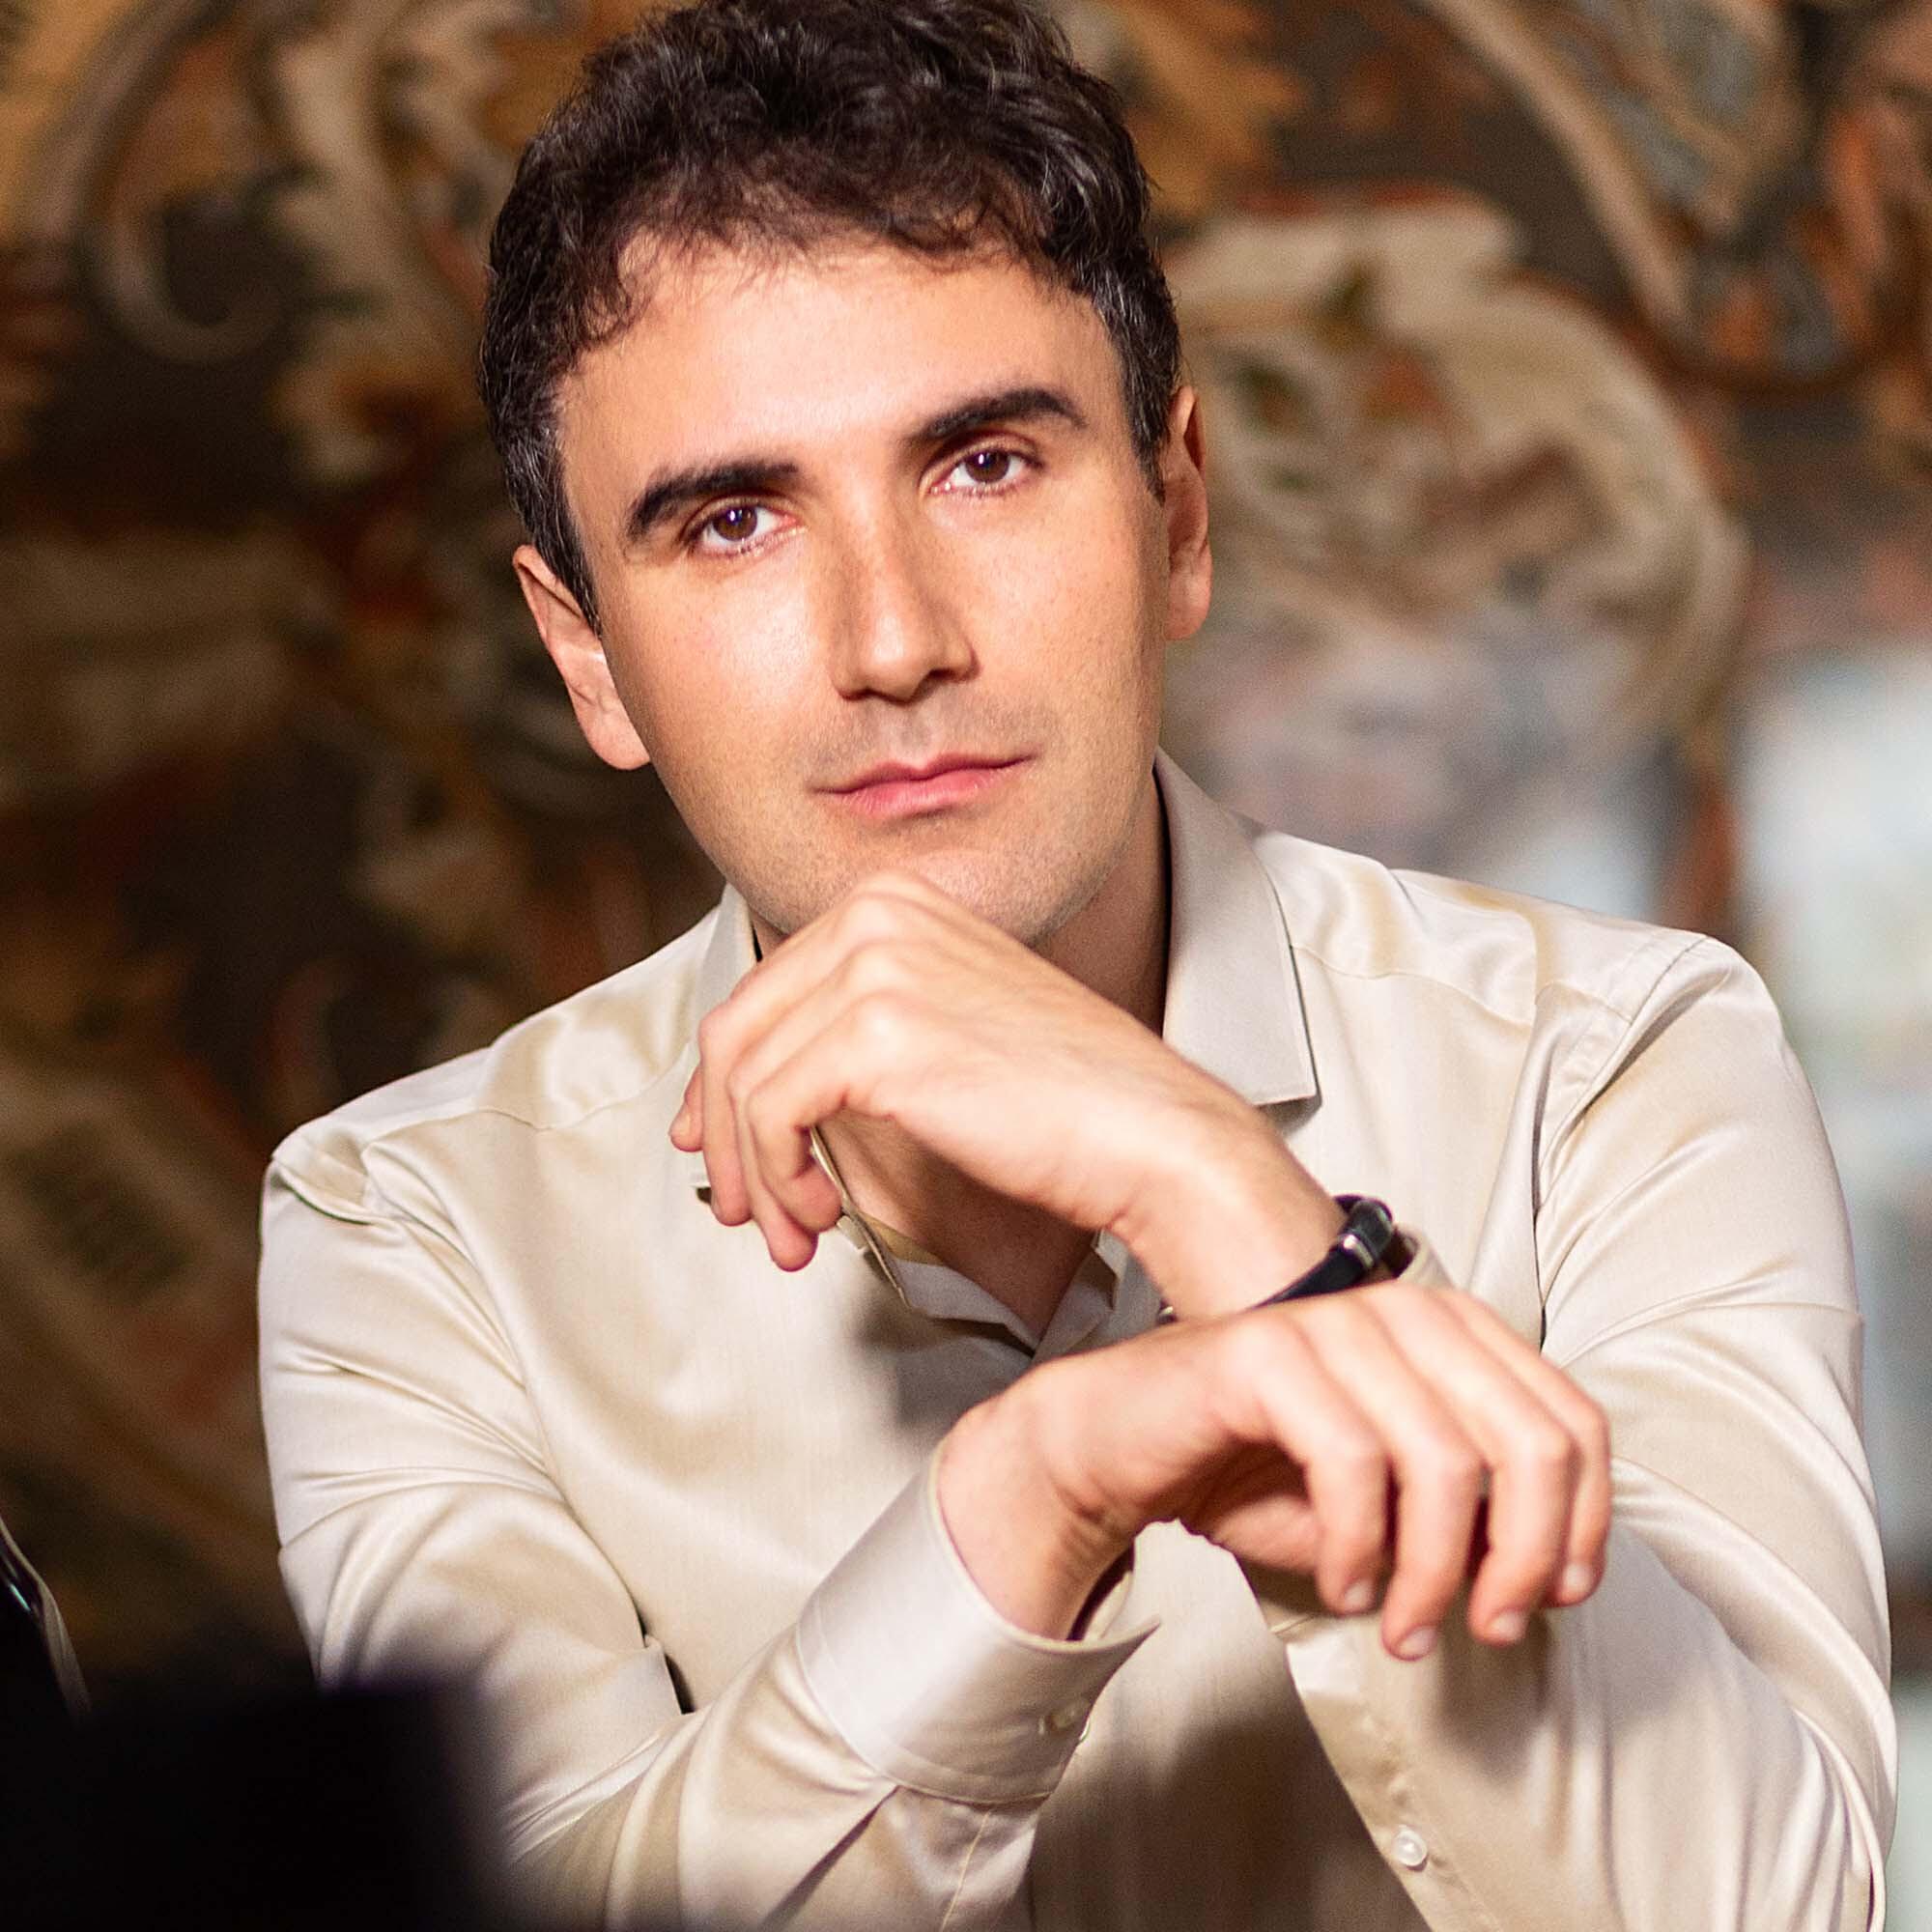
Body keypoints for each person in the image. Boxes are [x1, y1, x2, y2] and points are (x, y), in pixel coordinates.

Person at [256, 3, 1896, 1927]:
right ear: (588, 656)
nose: (892, 641)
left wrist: (1223, 1196)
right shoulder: (408, 1227)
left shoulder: (1612, 1065)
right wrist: (1028, 1501)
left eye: (982, 464)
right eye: (734, 520)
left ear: (1174, 514)